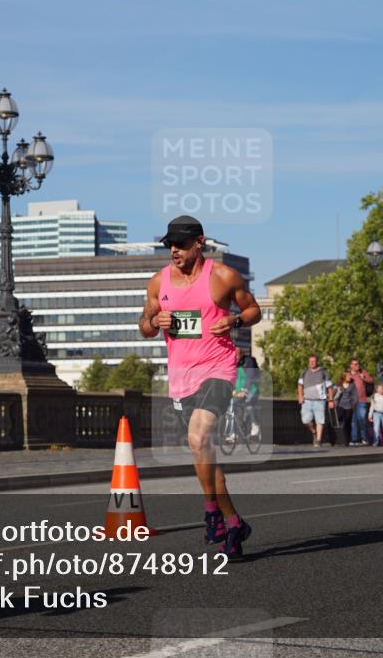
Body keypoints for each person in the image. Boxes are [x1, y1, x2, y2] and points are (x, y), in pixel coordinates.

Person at [140, 215, 261, 557]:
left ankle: (212, 511)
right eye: (169, 245)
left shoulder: (222, 277)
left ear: (199, 242)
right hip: (181, 377)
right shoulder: (158, 282)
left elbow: (254, 310)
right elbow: (144, 326)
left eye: (179, 244)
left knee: (198, 436)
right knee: (202, 450)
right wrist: (153, 320)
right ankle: (231, 522)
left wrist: (234, 319)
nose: (173, 251)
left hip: (218, 370)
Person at [298, 355, 334, 448]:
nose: (312, 363)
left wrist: (331, 400)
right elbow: (300, 385)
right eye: (310, 361)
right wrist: (300, 396)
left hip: (320, 401)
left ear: (317, 362)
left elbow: (329, 387)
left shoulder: (324, 372)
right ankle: (314, 431)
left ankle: (318, 440)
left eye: (314, 361)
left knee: (320, 421)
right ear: (308, 362)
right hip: (307, 400)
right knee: (305, 420)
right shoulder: (304, 372)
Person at [228, 351, 261, 441]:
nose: (235, 357)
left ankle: (255, 425)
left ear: (241, 354)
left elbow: (250, 377)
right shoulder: (233, 363)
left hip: (252, 390)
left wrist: (244, 390)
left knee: (249, 404)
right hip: (239, 392)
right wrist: (233, 389)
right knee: (232, 407)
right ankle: (234, 433)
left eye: (236, 355)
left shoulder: (248, 361)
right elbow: (232, 377)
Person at [347, 359, 375, 445]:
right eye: (355, 364)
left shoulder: (363, 372)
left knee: (362, 419)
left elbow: (371, 380)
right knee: (353, 421)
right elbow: (341, 383)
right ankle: (354, 439)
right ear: (351, 365)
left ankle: (364, 438)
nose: (357, 366)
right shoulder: (348, 374)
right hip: (351, 401)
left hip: (361, 400)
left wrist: (364, 378)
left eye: (358, 364)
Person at [333, 374, 358, 446]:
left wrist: (353, 404)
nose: (350, 377)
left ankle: (347, 440)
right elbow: (333, 393)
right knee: (339, 419)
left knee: (348, 423)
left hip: (349, 406)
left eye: (350, 376)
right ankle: (337, 437)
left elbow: (355, 396)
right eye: (348, 376)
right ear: (344, 377)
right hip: (340, 405)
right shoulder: (338, 385)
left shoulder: (352, 386)